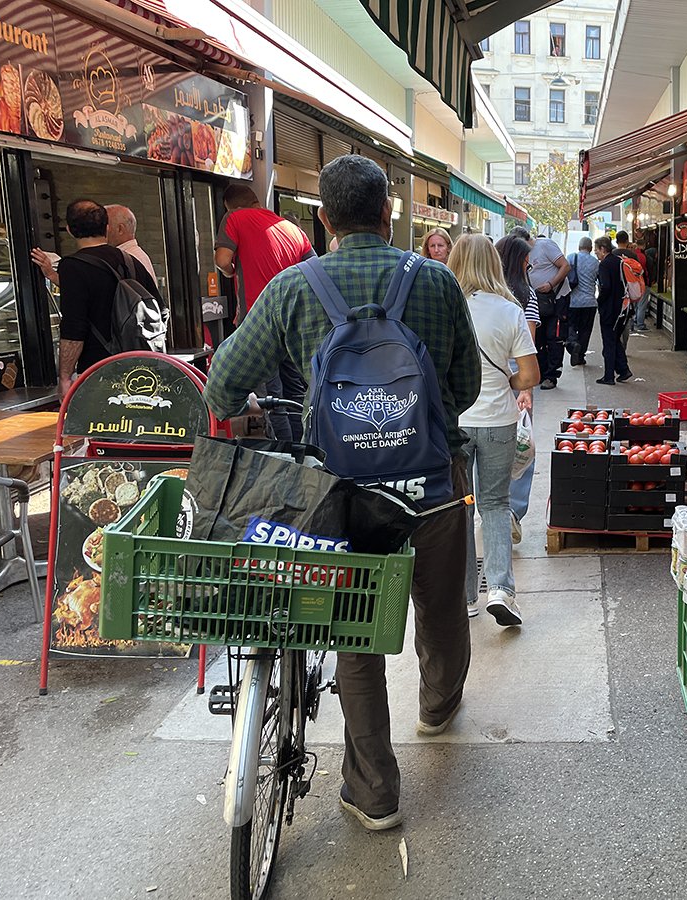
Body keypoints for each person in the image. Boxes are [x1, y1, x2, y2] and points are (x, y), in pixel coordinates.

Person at [202, 155, 481, 831]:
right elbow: (466, 386)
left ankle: (374, 791)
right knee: (441, 609)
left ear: (322, 220)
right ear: (389, 212)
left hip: (341, 495)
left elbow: (223, 384)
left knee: (357, 638)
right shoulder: (437, 280)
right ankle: (437, 707)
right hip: (435, 486)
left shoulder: (294, 288)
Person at [448, 235, 540, 624]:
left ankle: (467, 595)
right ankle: (501, 589)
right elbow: (531, 374)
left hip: (457, 424)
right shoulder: (509, 310)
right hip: (499, 420)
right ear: (493, 264)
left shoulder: (445, 307)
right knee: (496, 505)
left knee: (462, 509)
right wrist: (508, 384)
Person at [213, 183, 315, 442]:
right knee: (295, 393)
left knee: (272, 397)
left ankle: (284, 456)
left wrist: (231, 271)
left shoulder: (234, 218)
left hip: (259, 324)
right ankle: (303, 450)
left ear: (232, 206)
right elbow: (314, 269)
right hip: (294, 323)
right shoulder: (293, 230)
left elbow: (223, 260)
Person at [50, 199, 164, 396]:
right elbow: (160, 309)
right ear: (106, 226)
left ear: (69, 230)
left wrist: (65, 378)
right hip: (141, 362)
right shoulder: (130, 260)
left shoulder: (73, 267)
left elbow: (74, 329)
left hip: (100, 369)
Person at [497, 234, 540, 544]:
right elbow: (530, 343)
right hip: (517, 377)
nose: (531, 265)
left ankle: (494, 509)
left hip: (489, 378)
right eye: (528, 260)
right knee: (522, 446)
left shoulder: (486, 293)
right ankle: (512, 509)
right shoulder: (527, 295)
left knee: (490, 446)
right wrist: (527, 389)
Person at [29, 204, 157, 286]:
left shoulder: (125, 259)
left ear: (120, 229)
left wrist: (53, 274)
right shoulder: (131, 257)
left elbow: (87, 295)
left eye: (103, 224)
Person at [521, 228, 571, 390]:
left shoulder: (545, 245)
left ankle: (551, 376)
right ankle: (541, 373)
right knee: (539, 337)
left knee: (554, 336)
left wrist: (551, 284)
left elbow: (565, 266)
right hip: (537, 301)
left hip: (557, 299)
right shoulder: (522, 253)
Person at [594, 235, 632, 385]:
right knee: (615, 340)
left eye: (597, 250)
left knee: (609, 342)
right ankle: (623, 370)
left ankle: (609, 376)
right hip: (622, 307)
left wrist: (599, 301)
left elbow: (606, 287)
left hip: (610, 310)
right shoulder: (619, 261)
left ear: (603, 249)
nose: (596, 253)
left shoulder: (604, 265)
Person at [566, 236, 599, 367]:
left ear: (579, 247)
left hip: (573, 302)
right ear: (591, 248)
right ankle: (581, 356)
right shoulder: (595, 262)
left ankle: (573, 344)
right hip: (590, 302)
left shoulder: (571, 258)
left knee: (571, 326)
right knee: (586, 330)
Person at [615, 230, 649, 333]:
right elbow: (639, 272)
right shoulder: (633, 255)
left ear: (616, 241)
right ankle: (630, 326)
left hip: (616, 287)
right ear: (627, 241)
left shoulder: (612, 254)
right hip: (630, 286)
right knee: (631, 307)